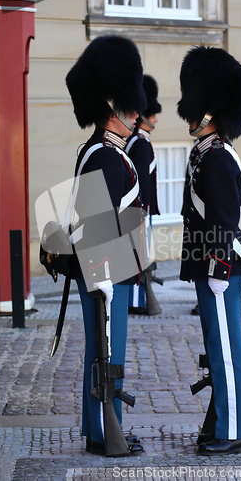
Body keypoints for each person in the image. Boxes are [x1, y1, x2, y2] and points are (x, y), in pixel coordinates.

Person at [65, 34, 147, 456]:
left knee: (107, 349)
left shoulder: (111, 152)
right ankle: (101, 433)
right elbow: (97, 223)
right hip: (104, 273)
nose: (137, 114)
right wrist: (103, 280)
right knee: (105, 351)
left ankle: (103, 424)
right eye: (129, 106)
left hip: (113, 269)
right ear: (112, 109)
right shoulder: (102, 154)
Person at [177, 45, 241, 455]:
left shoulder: (219, 157)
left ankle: (235, 431)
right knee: (217, 347)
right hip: (208, 263)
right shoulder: (205, 151)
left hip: (219, 267)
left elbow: (223, 221)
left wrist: (219, 270)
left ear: (212, 110)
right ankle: (222, 421)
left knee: (226, 350)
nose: (190, 114)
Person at [125, 75, 161, 315]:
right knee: (140, 257)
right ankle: (137, 301)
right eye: (153, 113)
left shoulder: (137, 141)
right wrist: (143, 209)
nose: (156, 118)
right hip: (139, 209)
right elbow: (139, 180)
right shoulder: (140, 144)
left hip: (139, 209)